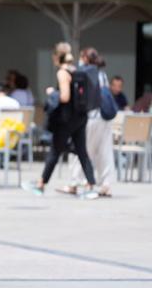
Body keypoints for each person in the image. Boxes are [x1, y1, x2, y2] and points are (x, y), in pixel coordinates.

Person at [23, 42, 99, 199]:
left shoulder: (62, 72)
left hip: (66, 119)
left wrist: (52, 92)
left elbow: (65, 96)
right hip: (80, 116)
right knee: (82, 151)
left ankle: (41, 184)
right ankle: (91, 186)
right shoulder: (76, 70)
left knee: (55, 151)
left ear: (57, 56)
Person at [65, 48, 115, 197]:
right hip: (104, 118)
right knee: (104, 152)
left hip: (90, 116)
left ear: (85, 58)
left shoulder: (83, 72)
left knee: (80, 150)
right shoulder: (102, 74)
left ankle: (75, 182)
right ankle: (106, 185)